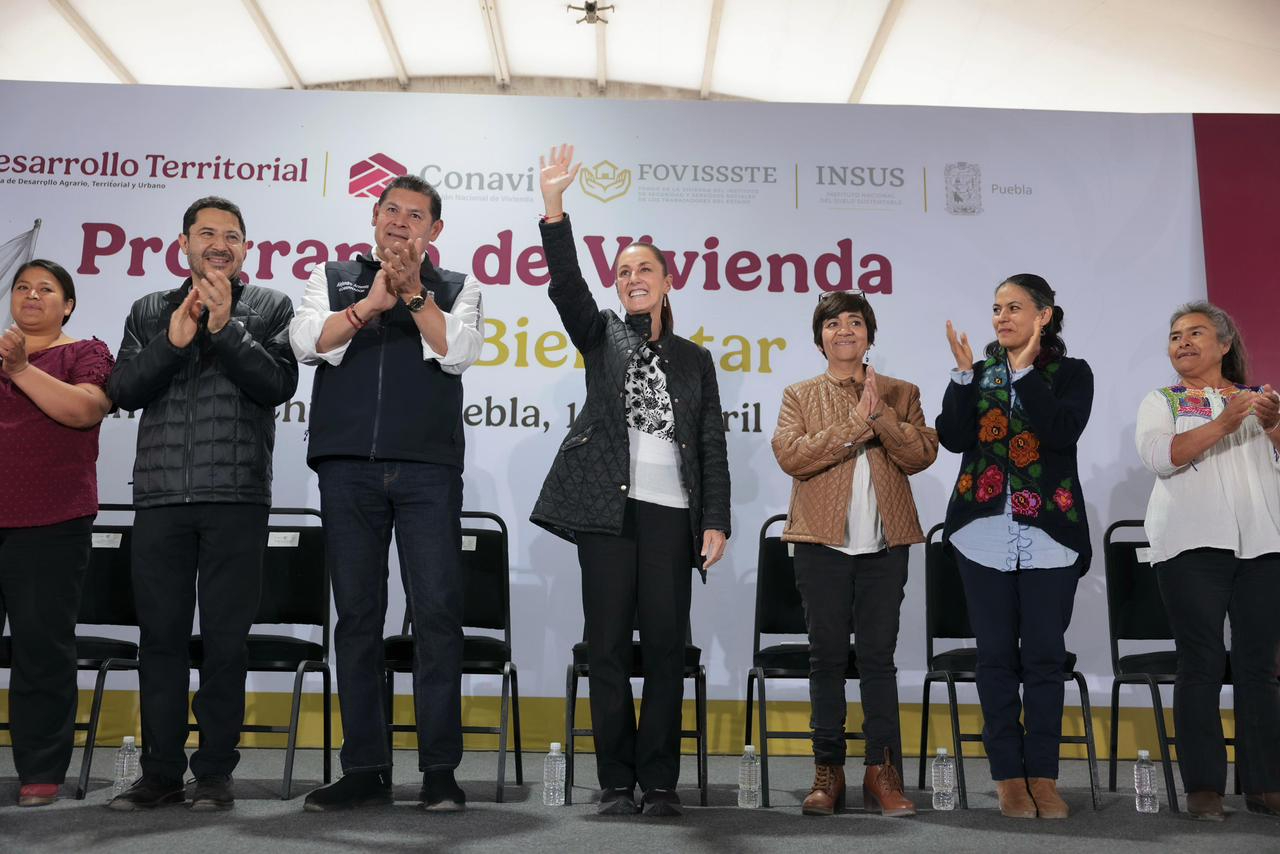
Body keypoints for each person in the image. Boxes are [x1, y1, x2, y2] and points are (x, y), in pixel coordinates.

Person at [529, 145, 730, 818]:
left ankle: (661, 782)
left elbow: (711, 445)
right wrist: (555, 208)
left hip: (673, 516)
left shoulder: (695, 360)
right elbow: (567, 287)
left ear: (668, 281)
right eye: (623, 272)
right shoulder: (603, 336)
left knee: (667, 650)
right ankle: (617, 781)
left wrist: (716, 519)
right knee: (608, 648)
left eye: (645, 269)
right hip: (607, 516)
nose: (633, 278)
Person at [291, 174, 483, 813]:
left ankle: (439, 771)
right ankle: (365, 769)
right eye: (391, 210)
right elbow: (306, 343)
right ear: (375, 217)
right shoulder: (333, 277)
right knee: (357, 619)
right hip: (347, 468)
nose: (401, 221)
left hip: (427, 471)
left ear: (435, 229)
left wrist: (415, 295)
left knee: (437, 617)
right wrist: (371, 304)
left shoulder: (457, 286)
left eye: (416, 214)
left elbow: (458, 351)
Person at [105, 197, 298, 811]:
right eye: (207, 233)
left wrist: (225, 327)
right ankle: (159, 772)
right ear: (183, 244)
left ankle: (214, 772)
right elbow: (122, 389)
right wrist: (173, 340)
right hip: (160, 498)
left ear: (246, 249)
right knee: (160, 640)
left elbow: (278, 385)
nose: (219, 244)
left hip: (236, 496)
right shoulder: (149, 310)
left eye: (232, 236)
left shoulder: (270, 307)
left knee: (225, 643)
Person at [771, 291, 938, 817]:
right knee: (824, 659)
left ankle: (881, 772)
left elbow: (921, 454)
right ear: (819, 337)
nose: (844, 330)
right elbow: (792, 456)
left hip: (884, 547)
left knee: (878, 660)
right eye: (832, 323)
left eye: (855, 322)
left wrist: (880, 415)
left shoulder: (901, 392)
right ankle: (828, 771)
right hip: (821, 546)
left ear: (870, 334)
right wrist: (855, 426)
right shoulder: (799, 395)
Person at [936, 273, 1093, 820]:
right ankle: (1008, 777)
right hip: (981, 534)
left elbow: (1061, 432)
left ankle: (1043, 777)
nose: (1002, 317)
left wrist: (1024, 375)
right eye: (997, 308)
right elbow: (954, 438)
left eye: (1014, 307)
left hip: (1051, 534)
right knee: (996, 658)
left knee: (1045, 659)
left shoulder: (1072, 373)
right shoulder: (979, 375)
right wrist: (962, 378)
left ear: (1043, 315)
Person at [1135, 301, 1280, 821]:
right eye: (1175, 335)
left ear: (1224, 344)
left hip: (1263, 545)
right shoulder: (1162, 400)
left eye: (1195, 333)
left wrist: (1273, 426)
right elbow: (1161, 457)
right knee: (1200, 663)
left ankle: (1265, 785)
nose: (1183, 342)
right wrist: (1222, 423)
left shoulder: (1260, 401)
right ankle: (1204, 788)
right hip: (1190, 546)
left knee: (1260, 667)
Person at [0, 260, 113, 807]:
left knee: (41, 648)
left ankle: (41, 770)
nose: (31, 295)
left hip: (50, 520)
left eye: (46, 289)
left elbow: (85, 410)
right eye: (22, 287)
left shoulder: (84, 353)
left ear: (67, 305)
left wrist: (21, 369)